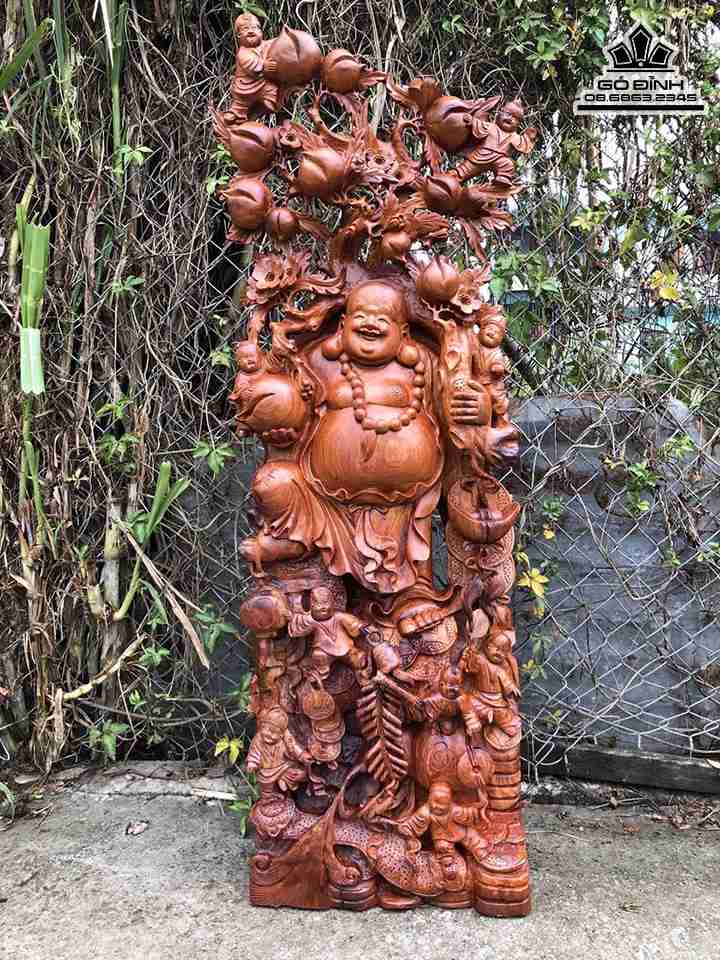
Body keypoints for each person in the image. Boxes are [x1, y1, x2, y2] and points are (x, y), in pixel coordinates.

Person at [397, 781, 490, 882]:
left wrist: (477, 811)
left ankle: (480, 849)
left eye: (441, 804)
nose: (436, 806)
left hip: (462, 832)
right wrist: (406, 829)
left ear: (449, 802)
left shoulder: (454, 810)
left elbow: (468, 814)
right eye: (433, 802)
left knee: (473, 837)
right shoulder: (425, 812)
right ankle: (447, 863)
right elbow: (413, 823)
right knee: (443, 847)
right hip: (442, 837)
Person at [288, 587, 370, 682]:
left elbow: (352, 623)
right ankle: (322, 672)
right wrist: (291, 617)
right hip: (325, 650)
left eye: (326, 603)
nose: (323, 607)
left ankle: (359, 662)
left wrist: (360, 627)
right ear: (311, 605)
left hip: (345, 646)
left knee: (355, 655)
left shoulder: (338, 616)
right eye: (318, 604)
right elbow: (299, 623)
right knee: (318, 655)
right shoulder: (310, 620)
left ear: (333, 603)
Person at [453, 100, 537, 186]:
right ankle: (455, 176)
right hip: (482, 155)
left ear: (518, 124)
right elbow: (479, 126)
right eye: (508, 114)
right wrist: (472, 121)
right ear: (499, 113)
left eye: (516, 118)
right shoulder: (491, 126)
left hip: (500, 159)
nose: (510, 119)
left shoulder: (515, 137)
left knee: (508, 164)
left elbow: (522, 144)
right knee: (466, 169)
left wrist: (529, 137)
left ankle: (503, 179)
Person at [246, 706, 311, 794]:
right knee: (265, 783)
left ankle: (285, 784)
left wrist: (301, 755)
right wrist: (252, 763)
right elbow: (254, 752)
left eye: (274, 733)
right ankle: (268, 795)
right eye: (267, 730)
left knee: (293, 773)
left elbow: (293, 747)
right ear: (262, 727)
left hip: (282, 766)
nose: (269, 734)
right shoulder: (258, 739)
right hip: (266, 769)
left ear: (281, 735)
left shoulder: (284, 741)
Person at [229, 13, 280, 121]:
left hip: (263, 83)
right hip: (245, 87)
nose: (250, 31)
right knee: (241, 103)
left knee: (273, 93)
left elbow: (276, 43)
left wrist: (283, 40)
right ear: (238, 36)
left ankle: (262, 108)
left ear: (261, 32)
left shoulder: (266, 45)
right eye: (245, 29)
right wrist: (263, 65)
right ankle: (236, 113)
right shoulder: (243, 52)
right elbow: (250, 64)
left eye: (254, 28)